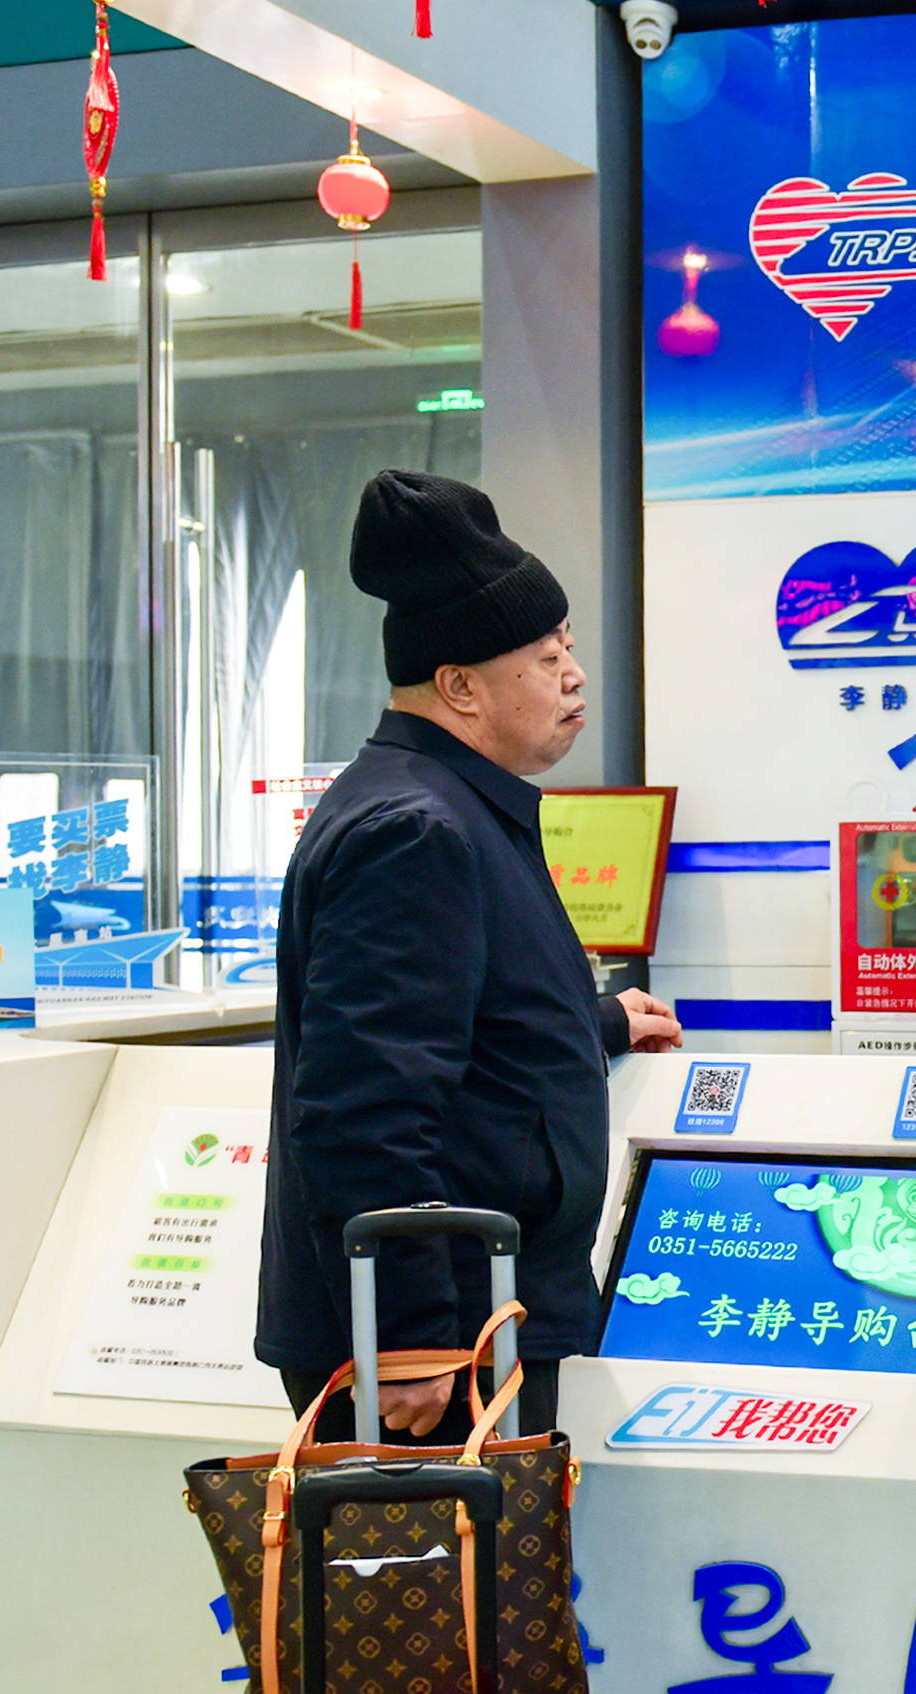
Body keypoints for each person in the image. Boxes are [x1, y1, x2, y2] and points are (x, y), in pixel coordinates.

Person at [256, 471, 682, 1445]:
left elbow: (459, 1021)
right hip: (442, 1347)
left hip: (482, 1319)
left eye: (569, 648)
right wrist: (408, 1334)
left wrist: (594, 1025)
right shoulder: (418, 830)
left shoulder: (450, 807)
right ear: (458, 686)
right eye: (546, 657)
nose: (574, 676)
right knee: (441, 1556)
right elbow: (365, 1103)